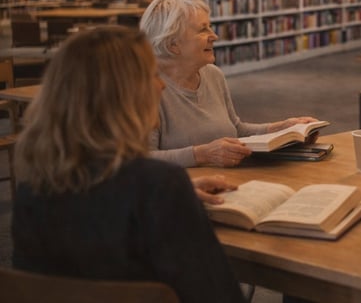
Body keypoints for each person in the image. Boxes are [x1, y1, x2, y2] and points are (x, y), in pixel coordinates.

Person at [12, 26, 245, 303]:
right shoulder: (159, 184)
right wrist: (164, 192)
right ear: (123, 94)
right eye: (151, 75)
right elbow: (219, 296)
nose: (160, 85)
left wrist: (171, 194)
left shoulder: (32, 184)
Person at [140, 0, 319, 168]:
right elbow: (140, 161)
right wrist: (202, 154)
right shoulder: (147, 88)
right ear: (173, 44)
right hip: (183, 189)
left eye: (210, 27)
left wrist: (283, 128)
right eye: (203, 29)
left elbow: (235, 129)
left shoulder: (213, 75)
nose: (214, 36)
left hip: (227, 181)